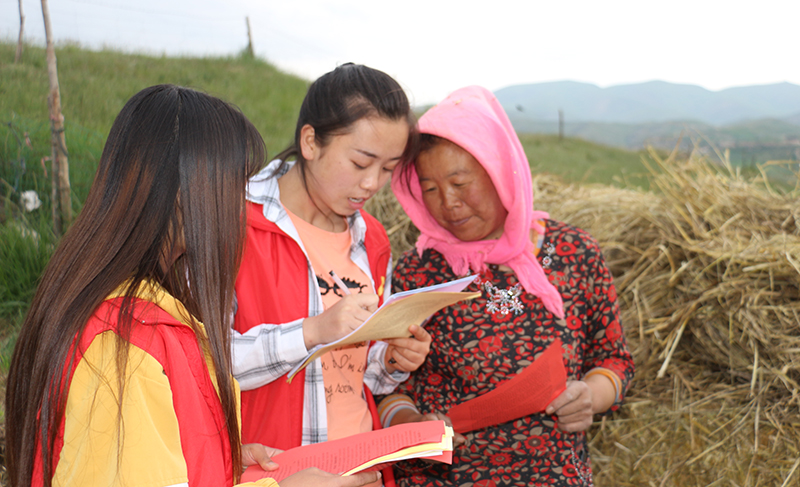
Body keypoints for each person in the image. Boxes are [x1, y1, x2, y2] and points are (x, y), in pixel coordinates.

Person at [5, 84, 381, 487]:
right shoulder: (124, 346)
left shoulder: (140, 309)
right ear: (185, 193)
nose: (242, 204)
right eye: (235, 186)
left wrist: (223, 460)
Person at [380, 85, 635, 487]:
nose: (448, 203)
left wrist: (591, 395)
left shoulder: (574, 252)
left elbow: (614, 359)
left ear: (500, 171)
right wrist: (411, 425)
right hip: (447, 478)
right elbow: (384, 383)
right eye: (429, 189)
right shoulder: (419, 272)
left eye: (460, 182)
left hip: (554, 475)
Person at [230, 64, 431, 485]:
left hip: (362, 470)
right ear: (310, 142)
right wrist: (313, 330)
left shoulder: (371, 239)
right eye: (360, 162)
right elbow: (202, 364)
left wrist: (392, 359)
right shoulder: (233, 225)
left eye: (389, 168)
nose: (372, 183)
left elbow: (358, 372)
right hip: (277, 474)